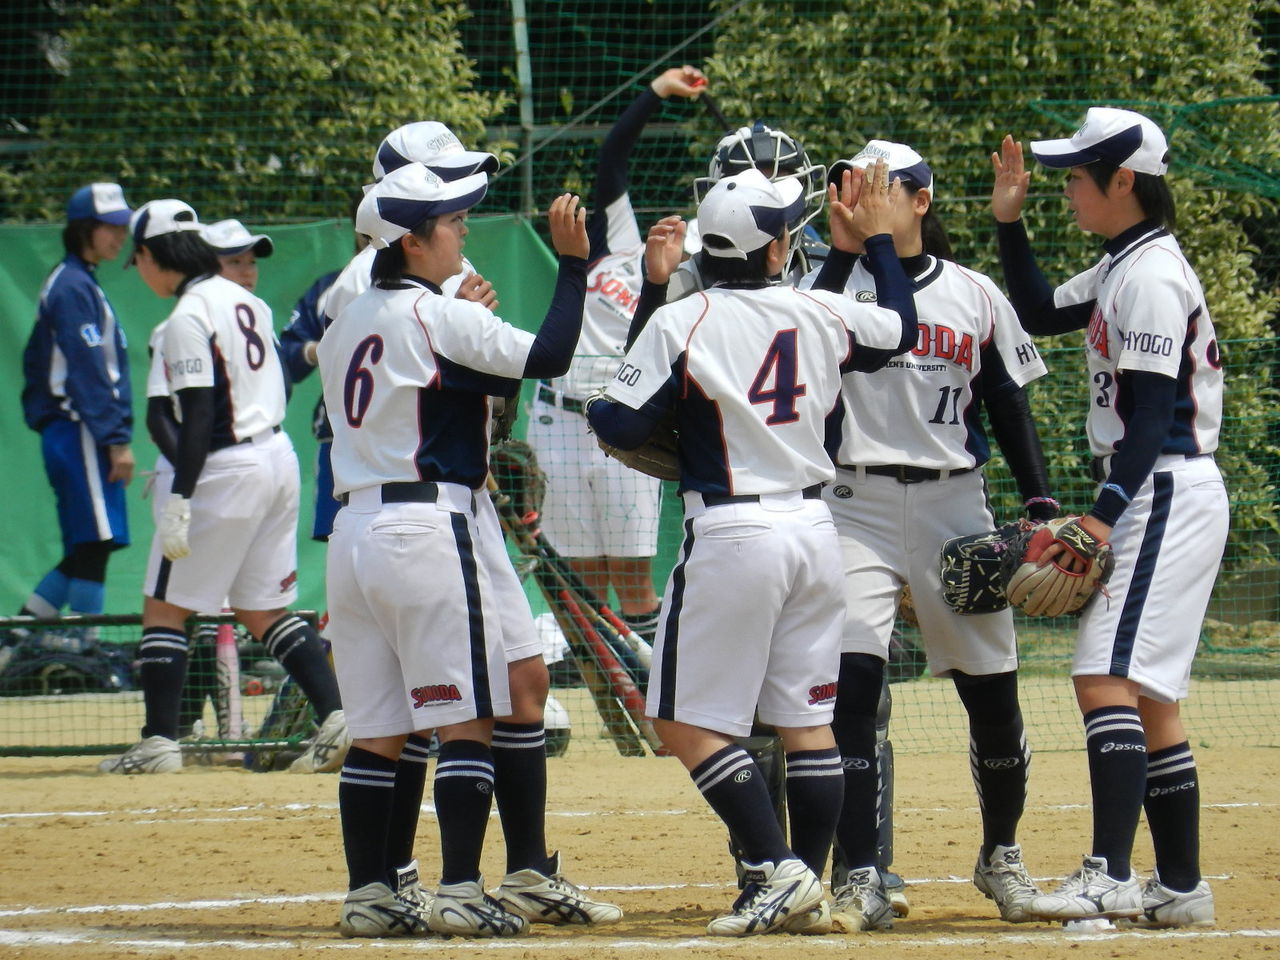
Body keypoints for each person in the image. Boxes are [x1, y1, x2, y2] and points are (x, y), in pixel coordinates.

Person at [587, 160, 917, 936]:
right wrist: (874, 244)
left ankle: (782, 871)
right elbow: (897, 329)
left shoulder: (685, 317)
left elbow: (621, 426)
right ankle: (799, 890)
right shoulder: (818, 311)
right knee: (806, 725)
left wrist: (635, 403)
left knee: (680, 724)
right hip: (814, 529)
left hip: (734, 532)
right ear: (774, 251)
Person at [313, 121, 619, 929]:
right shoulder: (429, 309)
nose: (463, 229)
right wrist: (575, 262)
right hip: (428, 521)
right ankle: (456, 889)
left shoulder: (347, 315)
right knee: (463, 713)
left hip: (360, 531)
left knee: (384, 724)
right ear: (411, 239)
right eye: (451, 220)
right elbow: (551, 355)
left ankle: (372, 895)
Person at [799, 140, 1055, 931]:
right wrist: (846, 249)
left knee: (993, 692)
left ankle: (1000, 854)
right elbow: (806, 337)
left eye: (888, 184)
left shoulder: (973, 293)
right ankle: (861, 873)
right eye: (858, 181)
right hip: (853, 501)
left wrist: (1041, 501)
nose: (869, 192)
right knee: (852, 690)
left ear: (921, 200)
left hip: (953, 504)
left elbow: (1008, 402)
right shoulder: (828, 288)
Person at [991, 108, 1227, 927]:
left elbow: (1155, 416)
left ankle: (1109, 872)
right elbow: (1032, 305)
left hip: (1162, 487)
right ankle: (1181, 886)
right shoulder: (1124, 262)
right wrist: (1008, 221)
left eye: (1075, 178)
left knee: (1103, 678)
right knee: (1151, 697)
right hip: (1155, 488)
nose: (1067, 190)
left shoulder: (1153, 278)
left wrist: (1101, 516)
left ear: (1123, 181)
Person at [97, 198, 349, 776]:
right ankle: (337, 718)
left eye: (139, 260)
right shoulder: (248, 302)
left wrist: (181, 495)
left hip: (223, 470)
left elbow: (200, 413)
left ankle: (159, 743)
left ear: (151, 254)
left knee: (164, 609)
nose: (141, 273)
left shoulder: (188, 314)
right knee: (265, 609)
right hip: (277, 457)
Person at [527, 65, 706, 646]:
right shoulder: (619, 238)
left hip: (620, 419)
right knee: (578, 580)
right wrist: (657, 92)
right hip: (555, 417)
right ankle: (608, 706)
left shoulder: (697, 262)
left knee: (631, 578)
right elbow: (612, 157)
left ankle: (652, 692)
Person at [9, 184, 136, 667]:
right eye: (111, 226)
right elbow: (86, 371)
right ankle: (84, 649)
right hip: (79, 427)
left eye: (124, 226)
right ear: (86, 228)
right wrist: (116, 439)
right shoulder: (72, 286)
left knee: (91, 542)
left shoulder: (80, 280)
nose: (120, 235)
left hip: (80, 430)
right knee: (94, 541)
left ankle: (17, 637)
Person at [278, 204, 364, 542]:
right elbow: (286, 356)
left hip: (410, 442)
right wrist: (316, 350)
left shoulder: (437, 286)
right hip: (340, 436)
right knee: (342, 542)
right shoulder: (334, 289)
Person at [201, 218, 274, 292]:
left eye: (252, 262)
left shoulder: (259, 303)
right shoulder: (194, 301)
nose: (248, 273)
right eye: (235, 262)